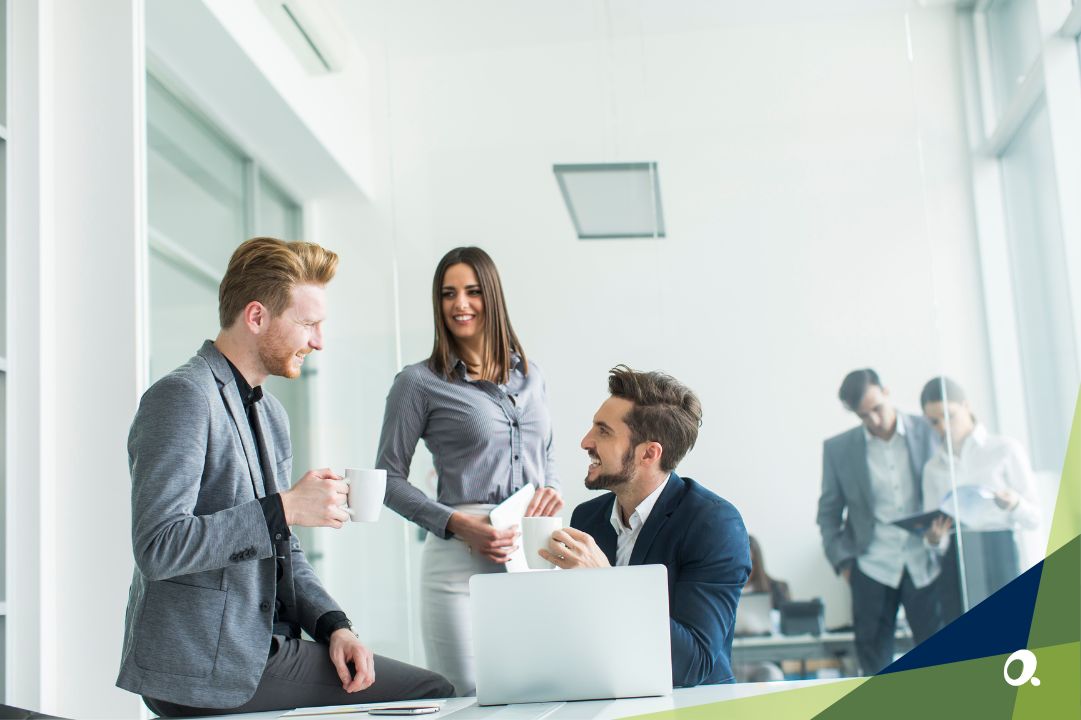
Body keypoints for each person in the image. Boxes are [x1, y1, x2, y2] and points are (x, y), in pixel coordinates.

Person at [117, 238, 452, 717]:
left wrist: (335, 626)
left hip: (260, 648)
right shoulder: (182, 397)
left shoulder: (271, 413)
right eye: (309, 324)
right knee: (433, 690)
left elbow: (281, 545)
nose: (318, 341)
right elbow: (159, 546)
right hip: (206, 664)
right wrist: (286, 507)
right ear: (257, 317)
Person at [375, 246, 563, 696]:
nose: (460, 304)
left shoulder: (532, 376)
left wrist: (552, 490)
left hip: (534, 554)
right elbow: (386, 480)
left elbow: (548, 453)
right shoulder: (418, 383)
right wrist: (457, 524)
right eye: (448, 294)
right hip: (459, 562)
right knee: (466, 696)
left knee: (541, 690)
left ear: (492, 298)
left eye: (473, 291)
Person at [537, 366, 750, 687]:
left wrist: (606, 582)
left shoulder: (714, 524)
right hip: (606, 697)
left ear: (649, 453)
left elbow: (691, 664)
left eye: (603, 431)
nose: (585, 441)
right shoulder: (587, 518)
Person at [816, 368, 941, 675]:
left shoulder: (929, 431)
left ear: (887, 391)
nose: (873, 420)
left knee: (941, 660)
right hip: (871, 567)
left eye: (876, 409)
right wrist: (844, 564)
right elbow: (828, 513)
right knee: (874, 670)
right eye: (863, 416)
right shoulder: (838, 449)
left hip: (925, 562)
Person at [919, 376, 1040, 619]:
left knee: (1009, 637)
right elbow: (934, 536)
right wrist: (933, 539)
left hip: (1000, 551)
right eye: (934, 421)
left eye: (949, 416)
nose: (943, 427)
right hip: (956, 560)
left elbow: (1035, 518)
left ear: (966, 406)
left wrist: (1014, 503)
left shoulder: (1005, 449)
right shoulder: (933, 468)